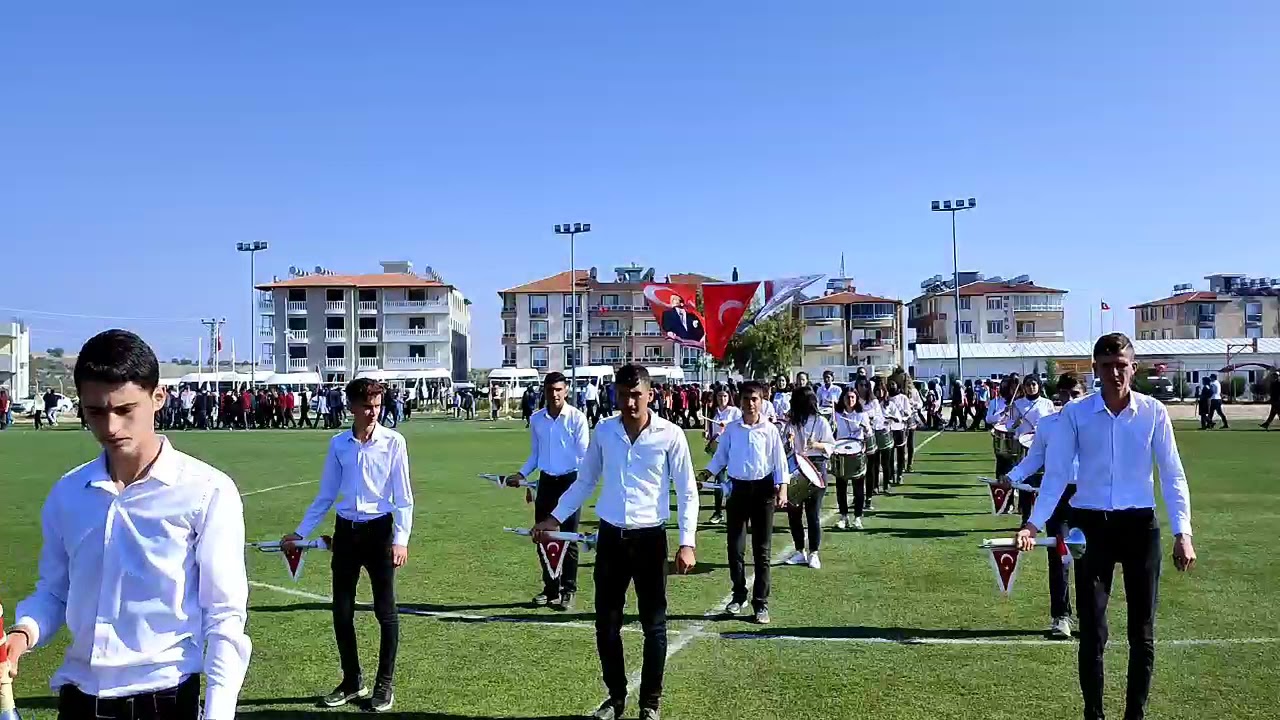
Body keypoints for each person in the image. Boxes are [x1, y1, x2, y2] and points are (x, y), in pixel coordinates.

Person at [1, 329, 250, 720]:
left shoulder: (207, 491)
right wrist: (24, 632)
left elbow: (225, 616)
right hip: (78, 698)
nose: (111, 427)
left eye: (124, 409)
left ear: (158, 398)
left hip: (162, 701)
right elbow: (54, 591)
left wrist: (218, 713)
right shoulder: (69, 492)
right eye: (96, 412)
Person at [1017, 333, 1196, 720]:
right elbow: (1058, 474)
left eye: (1122, 365)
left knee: (1142, 633)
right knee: (1093, 632)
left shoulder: (1153, 412)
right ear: (1095, 368)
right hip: (1091, 528)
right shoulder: (1076, 415)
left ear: (1133, 367)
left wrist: (1184, 533)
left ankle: (1136, 714)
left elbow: (1172, 474)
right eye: (1107, 366)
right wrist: (1032, 523)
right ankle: (1094, 714)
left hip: (1139, 527)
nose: (1115, 373)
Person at [534, 364, 697, 720]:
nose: (629, 402)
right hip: (610, 539)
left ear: (650, 395)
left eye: (636, 394)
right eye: (623, 395)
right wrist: (554, 518)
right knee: (606, 624)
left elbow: (687, 491)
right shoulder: (605, 431)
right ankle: (617, 696)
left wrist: (688, 542)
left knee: (654, 625)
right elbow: (584, 481)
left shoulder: (670, 435)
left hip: (651, 539)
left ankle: (650, 703)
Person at [284, 379, 413, 712]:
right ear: (353, 407)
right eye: (367, 405)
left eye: (377, 404)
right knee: (341, 612)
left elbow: (404, 499)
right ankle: (352, 680)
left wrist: (401, 540)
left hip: (381, 533)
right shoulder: (339, 444)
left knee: (386, 612)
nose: (373, 412)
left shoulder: (394, 442)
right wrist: (300, 532)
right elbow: (326, 495)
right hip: (346, 534)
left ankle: (385, 684)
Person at [1002, 372, 1086, 639]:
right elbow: (1034, 458)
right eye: (1065, 395)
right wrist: (1012, 477)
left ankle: (1090, 615)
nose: (1070, 400)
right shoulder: (1048, 425)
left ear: (1084, 395)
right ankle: (1060, 616)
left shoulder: (1095, 424)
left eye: (1076, 395)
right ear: (1058, 396)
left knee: (1089, 559)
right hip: (1056, 496)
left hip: (1089, 498)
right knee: (1059, 556)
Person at [701, 380, 787, 623]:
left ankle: (761, 604)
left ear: (761, 402)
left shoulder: (770, 430)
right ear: (740, 402)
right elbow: (720, 457)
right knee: (735, 548)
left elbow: (779, 462)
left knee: (762, 551)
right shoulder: (732, 430)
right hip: (738, 490)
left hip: (763, 492)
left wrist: (783, 490)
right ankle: (739, 596)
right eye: (746, 399)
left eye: (755, 399)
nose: (750, 404)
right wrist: (705, 474)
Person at [507, 372, 590, 610]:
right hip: (545, 483)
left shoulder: (577, 418)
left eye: (558, 390)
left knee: (569, 537)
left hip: (570, 483)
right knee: (543, 536)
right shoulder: (537, 419)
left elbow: (584, 456)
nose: (554, 395)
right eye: (550, 390)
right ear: (544, 391)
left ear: (566, 391)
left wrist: (581, 487)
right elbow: (535, 454)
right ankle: (550, 588)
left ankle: (568, 590)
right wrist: (522, 474)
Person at [782, 386, 835, 569]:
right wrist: (787, 441)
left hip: (816, 468)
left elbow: (831, 447)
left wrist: (817, 445)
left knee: (813, 514)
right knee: (794, 513)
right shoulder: (792, 422)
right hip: (795, 467)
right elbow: (785, 449)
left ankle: (814, 552)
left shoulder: (821, 422)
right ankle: (799, 551)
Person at [833, 384, 874, 530]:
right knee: (841, 487)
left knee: (858, 487)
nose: (850, 400)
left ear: (856, 399)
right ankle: (843, 517)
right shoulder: (836, 414)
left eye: (852, 397)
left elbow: (869, 434)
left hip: (857, 452)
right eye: (847, 397)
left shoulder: (862, 414)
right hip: (841, 452)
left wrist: (866, 428)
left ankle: (857, 517)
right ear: (843, 399)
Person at [704, 385, 741, 525]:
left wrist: (725, 427)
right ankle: (718, 512)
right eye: (719, 396)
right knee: (719, 481)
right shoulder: (714, 411)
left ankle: (733, 510)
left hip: (732, 450)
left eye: (725, 396)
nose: (722, 399)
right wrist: (708, 434)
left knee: (732, 481)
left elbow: (737, 427)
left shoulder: (735, 412)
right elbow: (711, 429)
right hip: (718, 451)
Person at [884, 380, 912, 486]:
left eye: (893, 384)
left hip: (900, 429)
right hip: (889, 429)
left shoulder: (903, 398)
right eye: (890, 384)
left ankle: (900, 474)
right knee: (890, 454)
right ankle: (891, 475)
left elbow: (908, 412)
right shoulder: (886, 398)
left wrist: (902, 417)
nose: (891, 386)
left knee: (900, 454)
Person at [869, 383, 895, 495]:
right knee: (874, 463)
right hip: (874, 435)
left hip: (885, 435)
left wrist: (890, 418)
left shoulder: (889, 404)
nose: (879, 393)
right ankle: (874, 486)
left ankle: (885, 484)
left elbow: (898, 417)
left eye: (881, 390)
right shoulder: (871, 404)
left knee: (886, 463)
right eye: (877, 390)